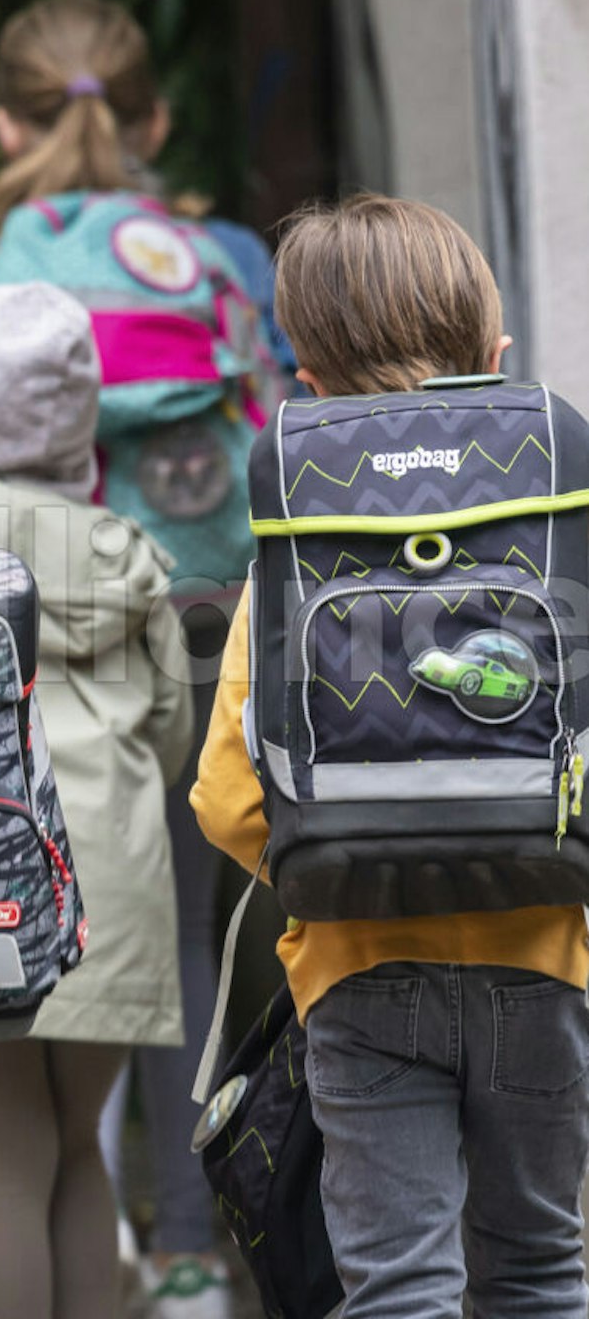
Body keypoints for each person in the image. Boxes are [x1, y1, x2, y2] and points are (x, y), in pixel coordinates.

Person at [0, 0, 277, 1313]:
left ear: (2, 120)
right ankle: (184, 1247)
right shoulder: (219, 252)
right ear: (151, 118)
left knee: (2, 1134)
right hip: (178, 617)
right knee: (178, 944)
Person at [193, 193, 589, 1319]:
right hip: (541, 955)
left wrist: (346, 852)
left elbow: (229, 796)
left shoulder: (296, 546)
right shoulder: (556, 509)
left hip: (358, 965)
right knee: (540, 1269)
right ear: (494, 357)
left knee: (399, 1285)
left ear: (306, 381)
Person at [0, 282, 191, 1319]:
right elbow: (169, 731)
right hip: (108, 886)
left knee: (0, 1146)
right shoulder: (125, 556)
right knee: (76, 1142)